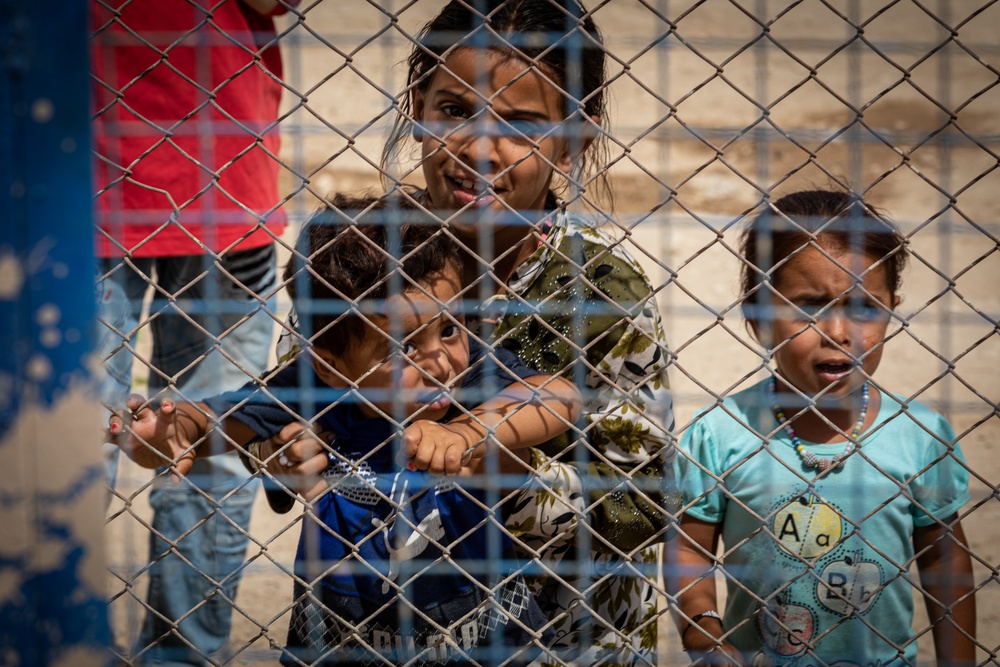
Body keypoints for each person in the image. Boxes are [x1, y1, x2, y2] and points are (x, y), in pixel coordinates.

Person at [111, 194, 583, 666]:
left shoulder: (472, 379)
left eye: (450, 328)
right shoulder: (318, 389)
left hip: (481, 636)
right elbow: (210, 423)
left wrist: (467, 431)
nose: (440, 362)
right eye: (402, 349)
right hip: (342, 637)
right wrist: (166, 436)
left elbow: (560, 396)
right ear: (332, 367)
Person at [359, 1, 678, 663]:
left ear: (575, 137)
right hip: (388, 626)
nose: (479, 147)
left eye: (521, 123)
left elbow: (638, 507)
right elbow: (301, 393)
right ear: (418, 107)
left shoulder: (599, 291)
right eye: (453, 109)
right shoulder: (362, 260)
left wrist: (506, 475)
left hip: (566, 639)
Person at [670, 190, 976, 666]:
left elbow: (944, 561)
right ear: (757, 317)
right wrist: (703, 636)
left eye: (864, 307)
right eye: (809, 306)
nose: (838, 332)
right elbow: (689, 550)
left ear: (892, 309)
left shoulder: (920, 437)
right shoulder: (721, 434)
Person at [91, 0, 294, 663]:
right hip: (220, 163)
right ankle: (177, 656)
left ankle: (41, 636)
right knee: (211, 437)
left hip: (77, 161)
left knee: (64, 439)